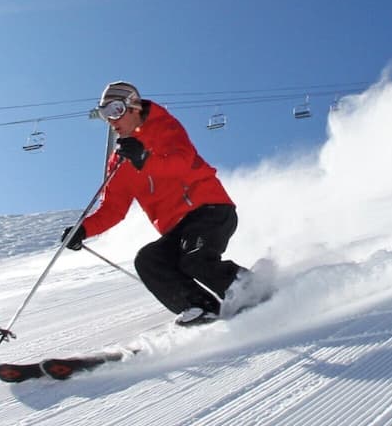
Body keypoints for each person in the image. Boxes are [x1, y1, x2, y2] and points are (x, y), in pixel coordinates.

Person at [62, 81, 253, 326]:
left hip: (209, 209)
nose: (110, 119)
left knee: (194, 258)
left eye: (115, 110)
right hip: (175, 228)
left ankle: (251, 290)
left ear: (134, 106)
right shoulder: (120, 161)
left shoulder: (163, 127)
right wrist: (83, 230)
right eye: (104, 113)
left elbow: (182, 162)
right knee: (149, 260)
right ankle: (202, 310)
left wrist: (144, 158)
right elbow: (113, 209)